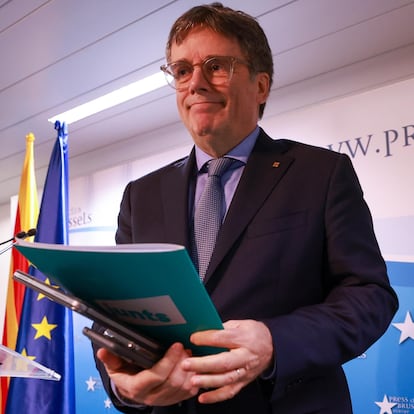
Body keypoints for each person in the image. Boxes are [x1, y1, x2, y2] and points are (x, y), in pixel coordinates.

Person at [93, 3, 398, 413]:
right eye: (182, 70)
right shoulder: (140, 195)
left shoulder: (320, 174)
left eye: (216, 65)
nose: (195, 83)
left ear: (261, 86)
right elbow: (116, 312)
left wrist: (275, 343)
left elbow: (369, 294)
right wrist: (124, 388)